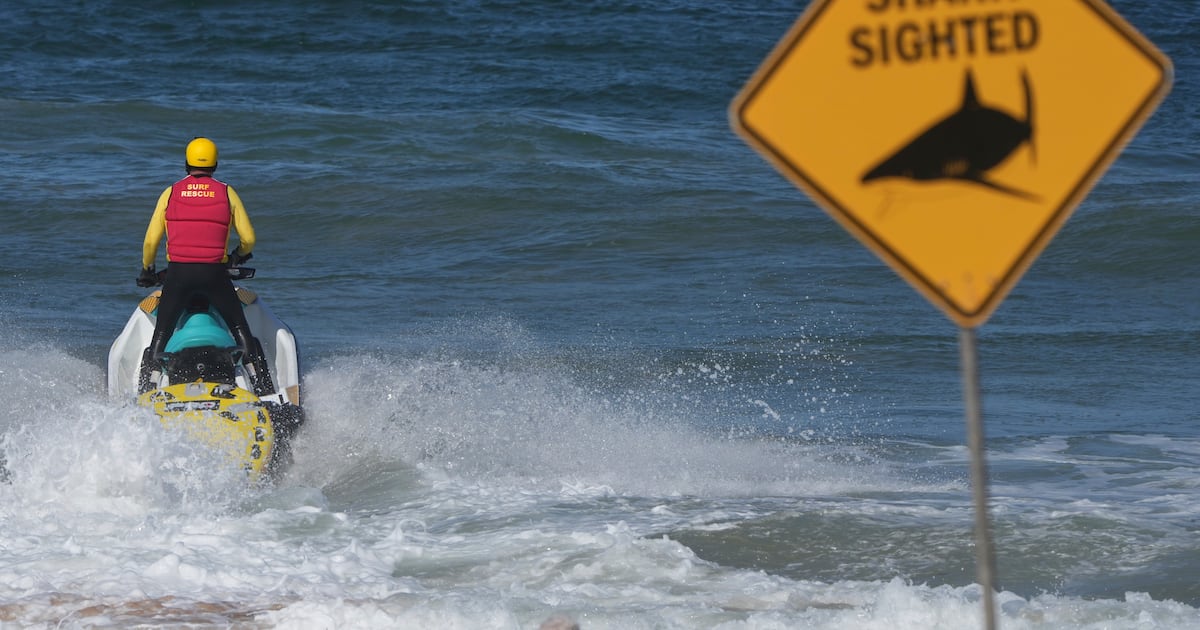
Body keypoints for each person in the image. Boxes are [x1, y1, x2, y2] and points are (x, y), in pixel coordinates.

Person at [136, 137, 273, 395]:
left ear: (186, 163)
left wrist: (147, 270)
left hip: (178, 276)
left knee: (161, 335)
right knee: (241, 330)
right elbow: (249, 239)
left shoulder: (171, 192)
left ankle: (145, 393)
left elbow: (151, 240)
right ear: (215, 165)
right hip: (214, 275)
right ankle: (266, 393)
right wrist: (237, 256)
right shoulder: (226, 192)